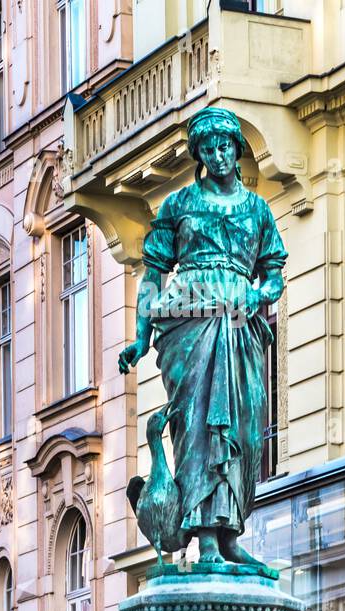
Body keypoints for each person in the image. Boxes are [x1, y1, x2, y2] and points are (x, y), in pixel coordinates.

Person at [118, 107, 286, 565]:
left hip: (238, 323)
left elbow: (274, 275)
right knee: (194, 428)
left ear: (237, 149)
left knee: (244, 429)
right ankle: (204, 533)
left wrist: (257, 297)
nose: (218, 155)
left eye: (225, 146)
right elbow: (152, 276)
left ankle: (230, 532)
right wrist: (140, 337)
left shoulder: (258, 210)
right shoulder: (178, 206)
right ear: (199, 154)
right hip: (190, 323)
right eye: (208, 148)